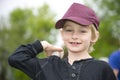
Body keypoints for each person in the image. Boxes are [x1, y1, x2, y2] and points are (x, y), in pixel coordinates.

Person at [8, 3, 116, 80]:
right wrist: (42, 44)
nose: (74, 36)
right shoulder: (48, 65)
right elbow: (16, 58)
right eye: (69, 30)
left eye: (82, 31)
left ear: (94, 36)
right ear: (62, 34)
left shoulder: (102, 68)